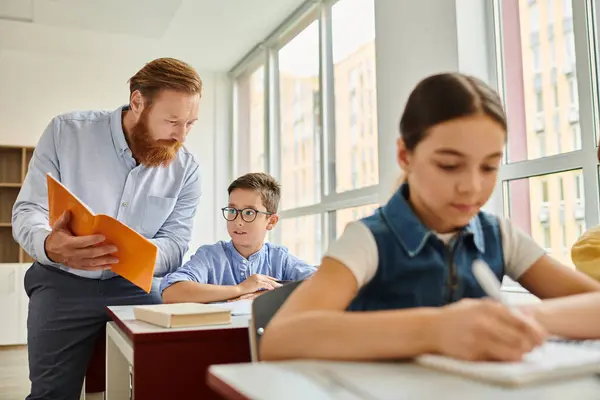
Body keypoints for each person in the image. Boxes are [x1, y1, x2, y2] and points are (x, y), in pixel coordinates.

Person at [259, 72, 600, 363]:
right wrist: (435, 329)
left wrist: (519, 318)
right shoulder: (368, 239)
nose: (472, 187)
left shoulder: (500, 235)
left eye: (489, 167)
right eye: (449, 165)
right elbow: (279, 339)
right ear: (405, 155)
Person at [12, 57, 203, 400]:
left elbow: (176, 243)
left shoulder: (187, 169)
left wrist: (133, 254)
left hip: (138, 287)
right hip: (61, 284)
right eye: (173, 120)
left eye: (191, 123)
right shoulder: (66, 132)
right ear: (137, 102)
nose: (181, 135)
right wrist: (50, 245)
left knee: (168, 383)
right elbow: (28, 210)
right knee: (50, 395)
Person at [161, 172, 316, 304]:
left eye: (249, 213)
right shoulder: (210, 257)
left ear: (271, 221)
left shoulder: (280, 259)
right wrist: (240, 289)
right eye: (233, 210)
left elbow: (326, 285)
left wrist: (271, 297)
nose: (238, 221)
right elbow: (171, 292)